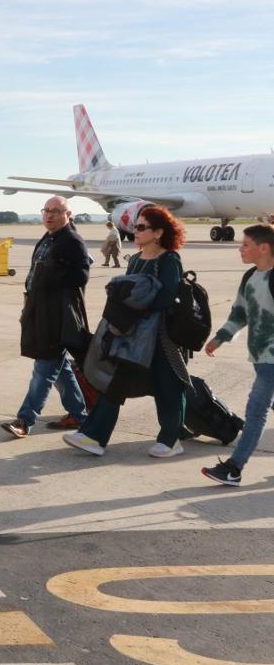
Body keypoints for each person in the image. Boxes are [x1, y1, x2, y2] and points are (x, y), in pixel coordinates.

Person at [64, 205, 189, 458]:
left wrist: (132, 302)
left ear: (158, 233)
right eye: (135, 226)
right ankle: (93, 436)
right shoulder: (134, 260)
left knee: (169, 386)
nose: (135, 231)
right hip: (132, 335)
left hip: (162, 337)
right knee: (116, 383)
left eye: (141, 227)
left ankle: (171, 439)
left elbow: (166, 298)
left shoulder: (169, 259)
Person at [1, 196, 91, 437]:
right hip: (40, 311)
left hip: (57, 316)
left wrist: (53, 279)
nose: (49, 215)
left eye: (56, 211)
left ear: (68, 215)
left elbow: (81, 276)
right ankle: (79, 415)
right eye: (46, 210)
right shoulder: (50, 238)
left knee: (44, 368)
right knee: (59, 367)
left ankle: (24, 420)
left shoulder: (72, 241)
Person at [201, 224, 274, 485]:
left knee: (256, 410)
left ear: (263, 248)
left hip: (272, 359)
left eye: (245, 244)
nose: (240, 248)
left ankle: (234, 468)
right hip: (259, 356)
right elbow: (240, 313)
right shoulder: (251, 277)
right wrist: (221, 337)